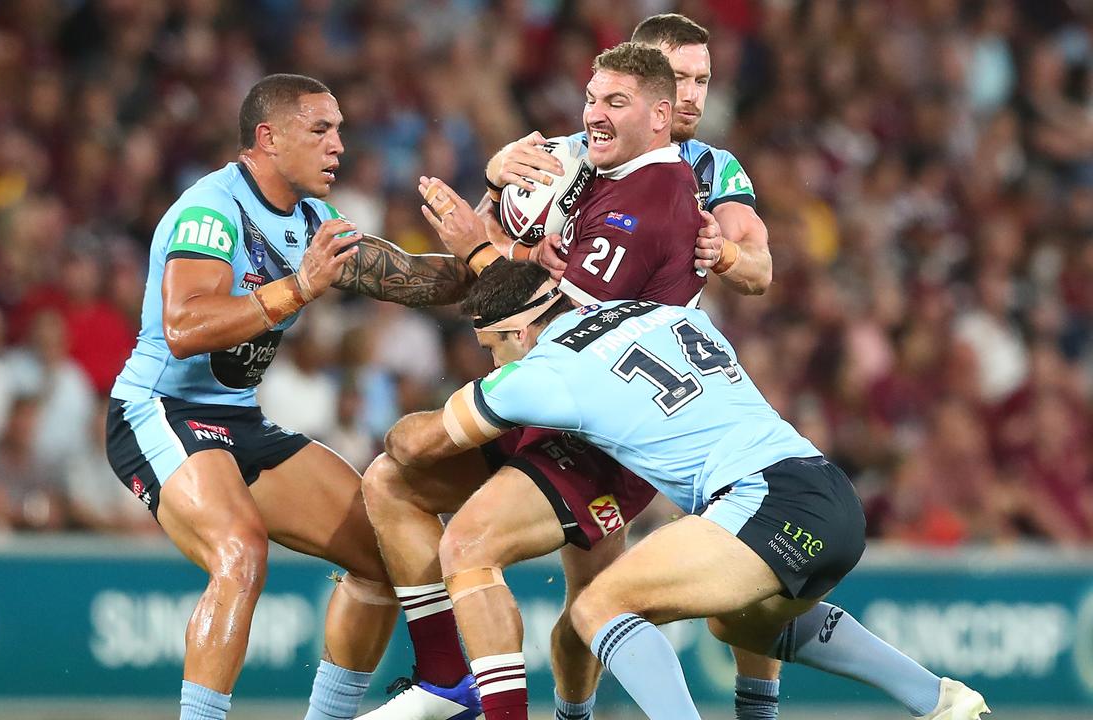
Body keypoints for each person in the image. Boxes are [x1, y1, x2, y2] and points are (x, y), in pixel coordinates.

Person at [384, 259, 991, 720]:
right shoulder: (659, 311)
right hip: (824, 491)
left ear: (517, 332)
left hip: (763, 500)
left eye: (493, 349)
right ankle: (942, 700)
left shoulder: (543, 371)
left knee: (599, 605)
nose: (495, 366)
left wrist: (401, 427)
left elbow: (417, 446)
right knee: (740, 624)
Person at [105, 73, 476, 720]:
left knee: (388, 553)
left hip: (237, 422)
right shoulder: (211, 210)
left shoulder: (314, 221)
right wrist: (299, 288)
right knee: (240, 551)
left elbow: (418, 282)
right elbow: (186, 329)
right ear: (267, 139)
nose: (339, 145)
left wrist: (497, 252)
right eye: (320, 130)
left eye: (339, 130)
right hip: (159, 412)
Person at [361, 42, 709, 720]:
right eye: (591, 98)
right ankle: (444, 678)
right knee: (389, 482)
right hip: (551, 408)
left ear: (661, 116)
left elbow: (552, 329)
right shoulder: (599, 173)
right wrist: (496, 188)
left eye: (616, 103)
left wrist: (477, 247)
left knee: (472, 545)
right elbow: (527, 255)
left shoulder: (652, 200)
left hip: (604, 436)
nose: (594, 116)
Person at [476, 13, 785, 720]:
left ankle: (756, 713)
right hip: (575, 380)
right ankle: (570, 714)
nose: (692, 96)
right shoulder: (565, 153)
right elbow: (480, 237)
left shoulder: (711, 169)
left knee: (759, 567)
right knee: (591, 594)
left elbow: (760, 267)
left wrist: (728, 254)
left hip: (676, 386)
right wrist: (497, 184)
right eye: (678, 78)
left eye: (703, 80)